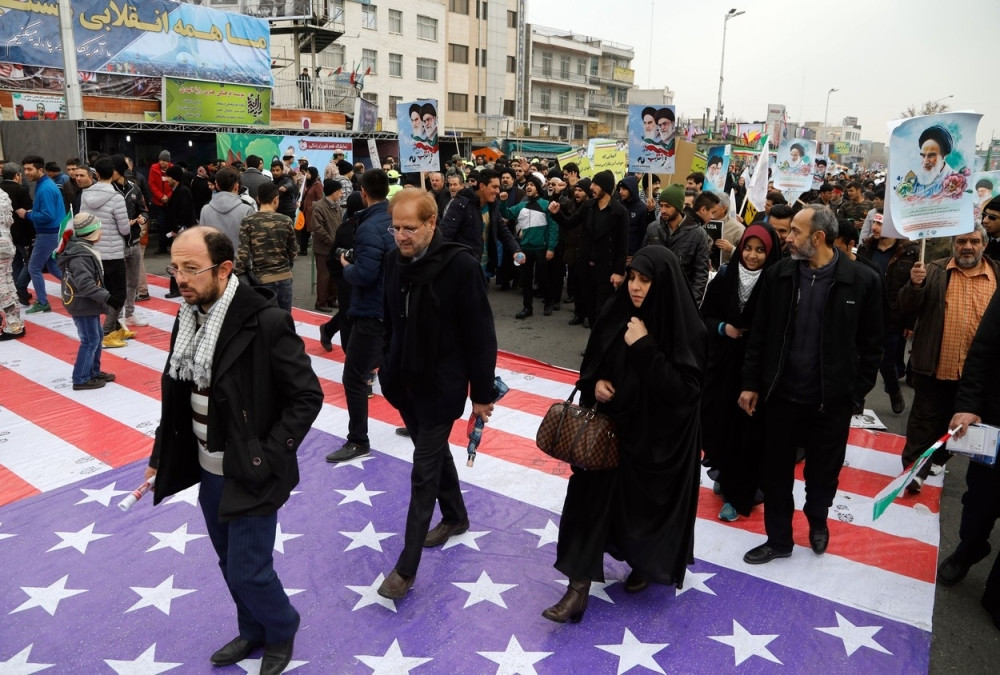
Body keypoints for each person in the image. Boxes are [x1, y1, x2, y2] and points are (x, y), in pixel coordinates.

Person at [143, 226, 321, 675]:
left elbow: (307, 396)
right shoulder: (189, 318)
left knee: (249, 569)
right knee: (229, 562)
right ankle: (252, 629)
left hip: (252, 470)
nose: (179, 279)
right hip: (209, 471)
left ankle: (281, 627)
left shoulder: (266, 321)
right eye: (175, 268)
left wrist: (270, 453)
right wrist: (161, 454)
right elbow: (176, 397)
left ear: (224, 269)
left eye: (191, 269)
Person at [543, 246, 706, 623]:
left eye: (645, 281)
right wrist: (596, 383)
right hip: (608, 435)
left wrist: (645, 347)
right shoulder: (616, 313)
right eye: (632, 277)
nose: (635, 287)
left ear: (662, 283)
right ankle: (576, 589)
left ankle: (645, 563)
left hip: (655, 444)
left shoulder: (685, 327)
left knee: (641, 516)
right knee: (587, 504)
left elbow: (685, 391)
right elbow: (593, 361)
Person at [739, 205, 882, 564]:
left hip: (830, 403)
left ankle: (818, 522)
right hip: (781, 398)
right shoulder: (780, 275)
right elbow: (760, 334)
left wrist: (852, 392)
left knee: (823, 474)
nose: (787, 238)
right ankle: (779, 539)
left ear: (817, 238)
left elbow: (872, 346)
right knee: (774, 474)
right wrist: (752, 383)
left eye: (795, 233)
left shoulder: (862, 281)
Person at [374, 189, 499, 600]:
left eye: (409, 228)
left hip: (441, 387)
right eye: (395, 228)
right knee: (434, 453)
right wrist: (384, 363)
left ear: (431, 223)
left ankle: (405, 569)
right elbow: (389, 318)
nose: (401, 237)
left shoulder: (460, 266)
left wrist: (481, 394)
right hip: (402, 383)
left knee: (423, 468)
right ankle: (456, 516)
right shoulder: (393, 261)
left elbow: (480, 335)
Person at [896, 224, 999, 492]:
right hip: (935, 366)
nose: (968, 246)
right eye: (962, 241)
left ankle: (941, 457)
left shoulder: (998, 274)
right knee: (923, 423)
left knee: (958, 427)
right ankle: (914, 471)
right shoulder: (933, 270)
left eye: (974, 241)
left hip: (976, 376)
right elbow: (906, 308)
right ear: (953, 244)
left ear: (984, 245)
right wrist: (915, 285)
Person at [700, 224, 782, 521]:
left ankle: (737, 496)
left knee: (748, 432)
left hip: (758, 371)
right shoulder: (725, 276)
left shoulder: (779, 282)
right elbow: (704, 318)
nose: (752, 255)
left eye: (760, 250)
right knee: (721, 425)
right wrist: (724, 328)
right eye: (748, 248)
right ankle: (724, 469)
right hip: (722, 367)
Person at [325, 169, 395, 463]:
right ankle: (417, 422)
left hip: (372, 311)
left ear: (363, 193)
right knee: (397, 370)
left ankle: (358, 440)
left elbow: (365, 274)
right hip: (393, 309)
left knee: (354, 377)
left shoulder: (368, 227)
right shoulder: (395, 220)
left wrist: (346, 265)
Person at [942, 292, 1000, 630]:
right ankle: (969, 548)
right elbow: (983, 351)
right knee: (979, 504)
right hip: (995, 424)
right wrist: (968, 403)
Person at [856, 214, 920, 414]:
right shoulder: (865, 248)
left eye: (880, 224)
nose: (875, 227)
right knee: (860, 360)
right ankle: (857, 400)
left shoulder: (911, 252)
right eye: (874, 222)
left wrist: (910, 322)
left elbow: (914, 290)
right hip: (865, 314)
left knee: (886, 362)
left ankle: (893, 390)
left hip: (892, 318)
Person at [56, 214, 113, 388]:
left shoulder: (84, 249)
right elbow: (85, 284)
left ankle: (93, 371)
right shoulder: (80, 256)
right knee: (90, 340)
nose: (101, 232)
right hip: (82, 303)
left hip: (88, 302)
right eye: (99, 228)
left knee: (97, 336)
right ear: (92, 232)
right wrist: (107, 297)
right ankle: (81, 378)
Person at [499, 173, 559, 318]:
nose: (528, 187)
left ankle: (549, 303)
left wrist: (551, 248)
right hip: (525, 248)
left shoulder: (545, 205)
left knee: (544, 278)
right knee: (526, 280)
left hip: (541, 248)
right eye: (527, 186)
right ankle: (527, 308)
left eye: (532, 185)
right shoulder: (522, 205)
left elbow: (553, 227)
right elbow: (507, 213)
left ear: (538, 188)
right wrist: (502, 202)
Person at [17, 155, 65, 313]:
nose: (26, 172)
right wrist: (34, 212)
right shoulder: (44, 184)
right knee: (52, 266)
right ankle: (78, 287)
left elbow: (47, 215)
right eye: (24, 169)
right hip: (53, 232)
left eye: (30, 169)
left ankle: (43, 302)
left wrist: (27, 215)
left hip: (48, 233)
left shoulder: (44, 188)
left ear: (40, 169)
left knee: (34, 267)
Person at [200, 166, 254, 253]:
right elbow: (252, 241)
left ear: (217, 185)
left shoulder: (205, 209)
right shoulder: (247, 209)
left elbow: (202, 239)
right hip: (240, 263)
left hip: (214, 261)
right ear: (237, 186)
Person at [309, 178, 342, 312]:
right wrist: (331, 241)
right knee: (324, 276)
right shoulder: (319, 207)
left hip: (335, 248)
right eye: (339, 191)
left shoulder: (337, 207)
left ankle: (332, 299)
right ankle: (321, 303)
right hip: (323, 248)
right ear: (333, 192)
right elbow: (317, 228)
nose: (341, 193)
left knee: (334, 275)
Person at [0, 189, 26, 340]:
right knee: (8, 282)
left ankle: (14, 325)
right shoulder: (3, 194)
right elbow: (10, 221)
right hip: (7, 242)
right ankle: (16, 322)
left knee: (2, 286)